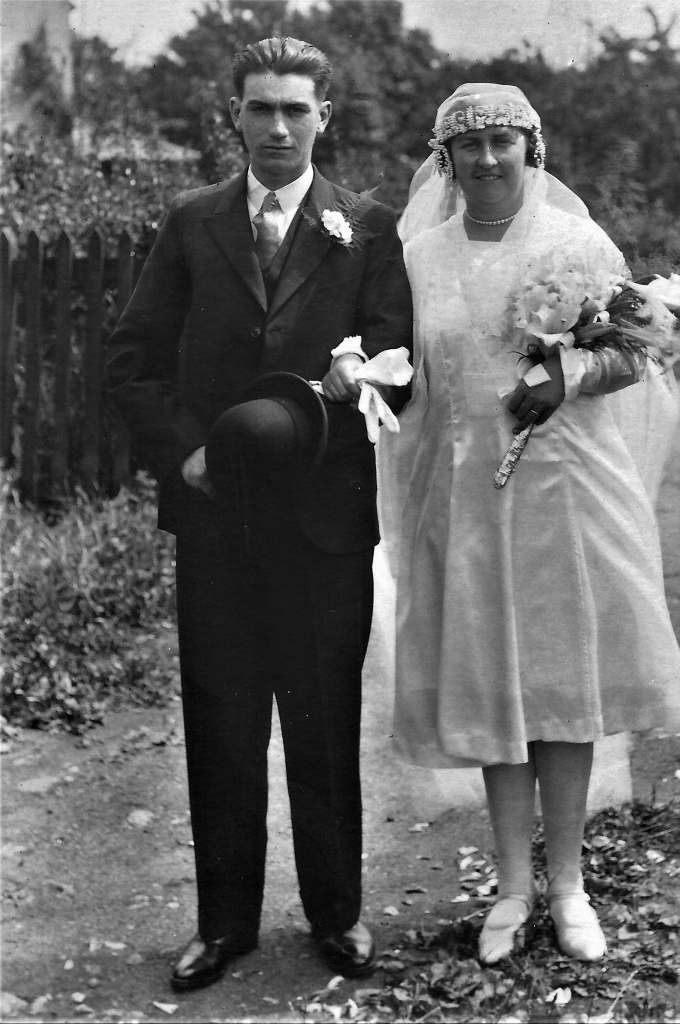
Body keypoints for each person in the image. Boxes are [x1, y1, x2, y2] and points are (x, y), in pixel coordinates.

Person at [107, 37, 413, 991]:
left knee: (323, 724)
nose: (277, 127)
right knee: (222, 721)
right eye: (259, 109)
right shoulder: (192, 222)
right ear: (231, 117)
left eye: (295, 109)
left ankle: (336, 916)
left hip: (322, 524)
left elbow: (402, 376)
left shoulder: (369, 229)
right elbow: (131, 363)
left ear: (326, 118)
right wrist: (184, 451)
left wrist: (347, 389)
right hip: (215, 520)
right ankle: (224, 924)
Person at [379, 83, 680, 964]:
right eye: (469, 144)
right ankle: (510, 889)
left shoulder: (575, 241)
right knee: (495, 688)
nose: (487, 159)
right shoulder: (421, 256)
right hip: (469, 498)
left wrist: (567, 377)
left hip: (566, 493)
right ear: (444, 159)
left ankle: (566, 884)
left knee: (559, 689)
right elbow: (407, 373)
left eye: (503, 142)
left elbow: (638, 350)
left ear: (533, 151)